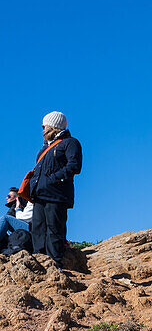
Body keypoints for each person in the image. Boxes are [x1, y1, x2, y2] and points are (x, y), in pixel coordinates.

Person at [27, 111, 82, 267]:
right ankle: (39, 262)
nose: (42, 130)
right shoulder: (44, 148)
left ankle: (56, 264)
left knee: (54, 229)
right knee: (37, 229)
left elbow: (74, 166)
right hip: (39, 195)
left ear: (53, 126)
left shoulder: (71, 143)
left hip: (57, 195)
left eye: (44, 126)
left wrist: (52, 180)